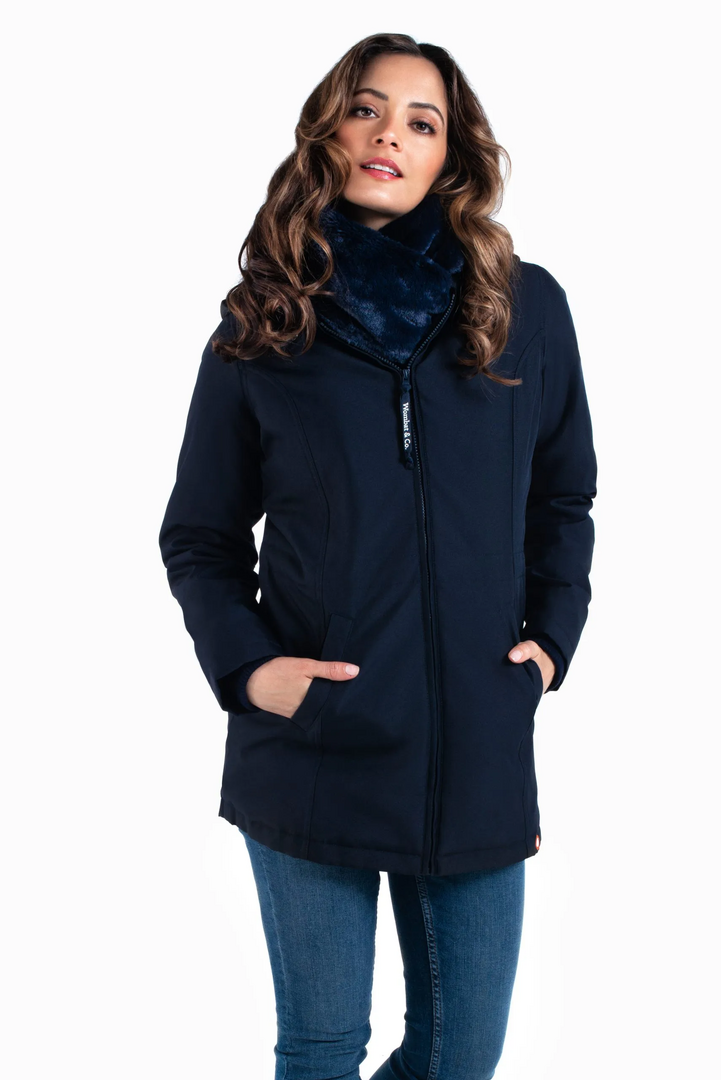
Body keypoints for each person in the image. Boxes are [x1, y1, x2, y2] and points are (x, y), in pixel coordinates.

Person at [158, 32, 597, 1080]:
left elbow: (562, 496)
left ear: (451, 156)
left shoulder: (524, 307)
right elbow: (201, 535)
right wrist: (249, 670)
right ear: (329, 130)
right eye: (365, 109)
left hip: (477, 746)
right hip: (316, 743)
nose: (388, 136)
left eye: (420, 121)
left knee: (458, 1056)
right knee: (321, 1051)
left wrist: (548, 645)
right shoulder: (264, 322)